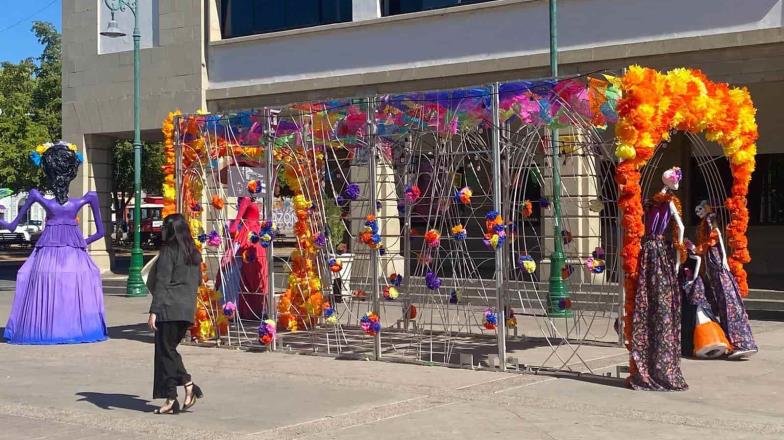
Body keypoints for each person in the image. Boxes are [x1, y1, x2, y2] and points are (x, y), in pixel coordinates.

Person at [2, 141, 107, 344]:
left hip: (48, 253)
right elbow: (101, 232)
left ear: (48, 174)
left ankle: (45, 328)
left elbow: (12, 225)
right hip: (74, 252)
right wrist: (81, 242)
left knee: (31, 278)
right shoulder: (87, 199)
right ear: (72, 173)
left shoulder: (36, 196)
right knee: (78, 284)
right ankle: (75, 326)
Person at [628, 166, 688, 391]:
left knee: (657, 301)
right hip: (652, 251)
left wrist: (678, 253)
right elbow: (678, 226)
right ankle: (649, 363)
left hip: (654, 251)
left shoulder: (664, 202)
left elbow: (679, 226)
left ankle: (659, 366)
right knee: (649, 300)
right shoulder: (656, 202)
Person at [146, 213, 204, 414]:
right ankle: (171, 399)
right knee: (166, 352)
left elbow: (162, 283)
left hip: (169, 308)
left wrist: (154, 311)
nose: (162, 230)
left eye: (164, 227)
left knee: (166, 352)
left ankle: (188, 385)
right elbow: (198, 282)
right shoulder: (193, 253)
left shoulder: (168, 251)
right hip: (186, 309)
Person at [695, 200, 758, 359]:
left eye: (701, 208)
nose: (698, 211)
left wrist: (723, 262)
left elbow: (718, 241)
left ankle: (741, 342)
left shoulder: (710, 223)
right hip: (715, 272)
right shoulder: (705, 225)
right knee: (723, 306)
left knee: (729, 305)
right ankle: (732, 342)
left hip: (720, 271)